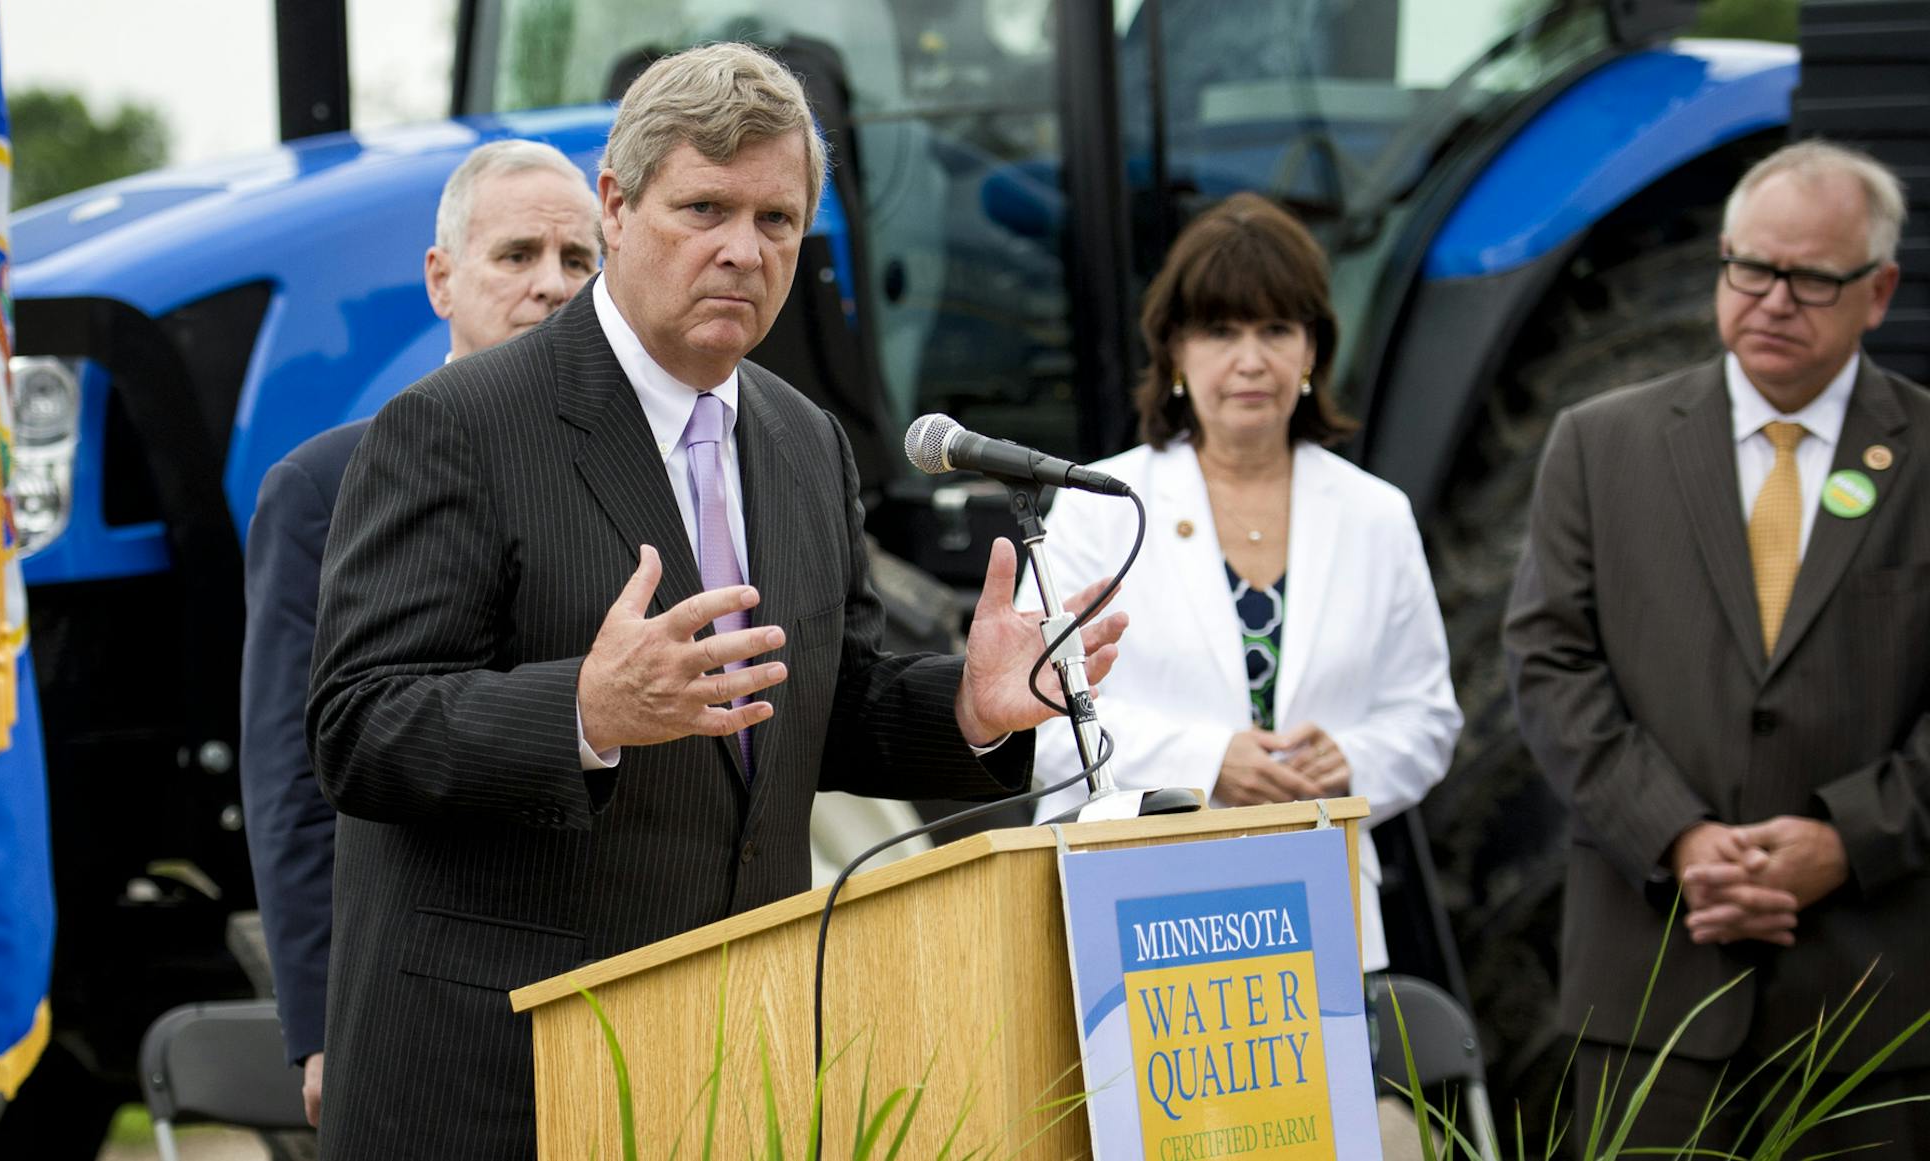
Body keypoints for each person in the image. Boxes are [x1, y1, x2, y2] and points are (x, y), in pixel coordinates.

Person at [305, 42, 1126, 1159]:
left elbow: (818, 713)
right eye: (705, 208)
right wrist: (585, 713)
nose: (743, 250)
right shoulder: (458, 425)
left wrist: (973, 707)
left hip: (734, 1063)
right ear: (616, 206)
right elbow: (360, 729)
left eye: (777, 221)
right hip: (500, 1079)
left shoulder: (800, 441)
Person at [1504, 139, 1927, 1154]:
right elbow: (1550, 665)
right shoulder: (1600, 445)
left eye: (1811, 278)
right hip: (1650, 1001)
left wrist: (1848, 841)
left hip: (1869, 1009)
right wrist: (1679, 838)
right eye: (1750, 268)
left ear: (1877, 293)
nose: (1773, 299)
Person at [238, 137, 601, 1127]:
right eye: (516, 256)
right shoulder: (324, 487)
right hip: (422, 1001)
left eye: (579, 262)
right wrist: (318, 1022)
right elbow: (292, 777)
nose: (550, 286)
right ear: (442, 279)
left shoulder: (640, 473)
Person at [1027, 192, 1461, 978]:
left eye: (1276, 329)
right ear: (1176, 354)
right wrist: (1208, 759)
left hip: (1317, 913)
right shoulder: (1099, 509)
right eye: (1222, 331)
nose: (1251, 359)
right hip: (1135, 918)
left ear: (1312, 352)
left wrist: (1351, 759)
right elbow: (1043, 721)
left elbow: (1428, 718)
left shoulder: (1376, 515)